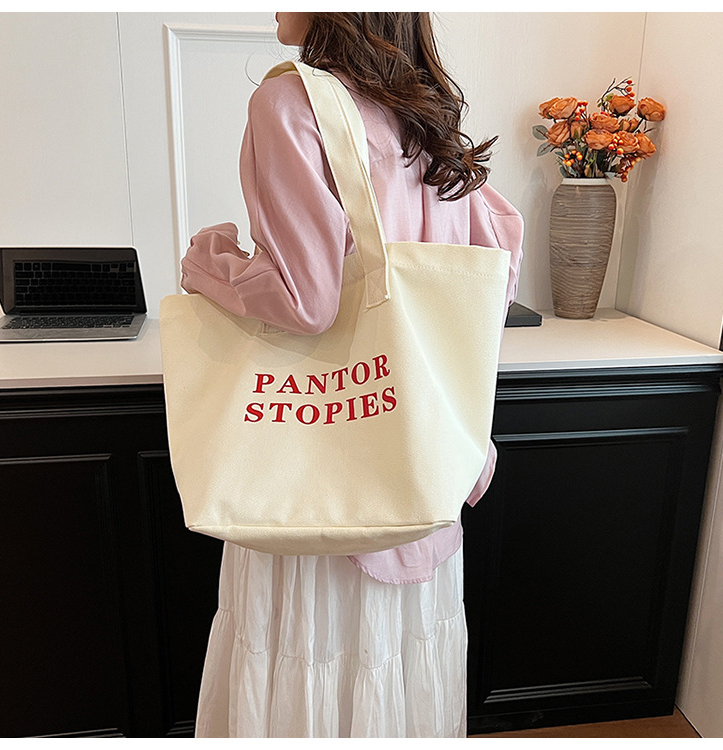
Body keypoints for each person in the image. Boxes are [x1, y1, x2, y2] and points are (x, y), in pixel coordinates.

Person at [180, 12, 523, 738]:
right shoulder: (426, 114)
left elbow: (306, 300)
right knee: (399, 672)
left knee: (312, 669)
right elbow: (495, 268)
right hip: (423, 466)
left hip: (323, 490)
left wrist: (209, 264)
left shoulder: (290, 101)